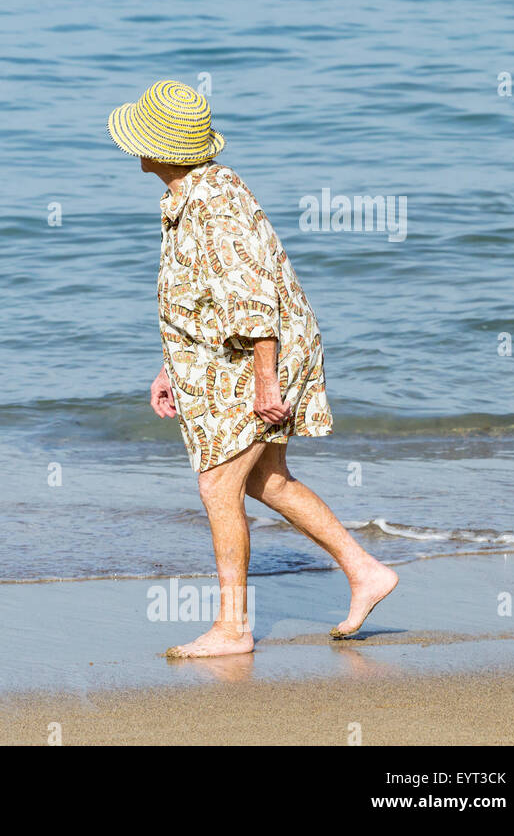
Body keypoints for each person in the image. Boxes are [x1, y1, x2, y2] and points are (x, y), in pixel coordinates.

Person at [106, 80, 399, 658]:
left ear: (160, 148)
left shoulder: (214, 200)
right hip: (226, 357)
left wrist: (267, 380)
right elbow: (203, 296)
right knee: (266, 479)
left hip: (257, 356)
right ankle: (365, 569)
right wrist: (171, 366)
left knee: (219, 482)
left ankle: (233, 629)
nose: (131, 148)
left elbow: (255, 298)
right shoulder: (190, 193)